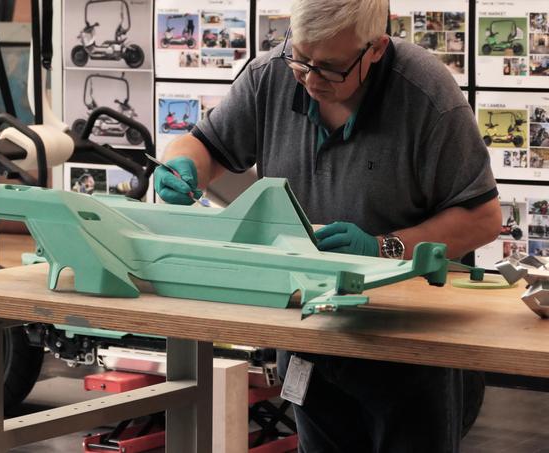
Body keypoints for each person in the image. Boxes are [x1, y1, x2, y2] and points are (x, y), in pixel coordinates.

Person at [154, 0, 501, 451]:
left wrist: (384, 248)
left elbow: (482, 218)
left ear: (376, 49)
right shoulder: (271, 75)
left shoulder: (426, 95)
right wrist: (183, 165)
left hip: (408, 343)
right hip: (311, 328)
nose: (311, 78)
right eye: (301, 58)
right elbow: (205, 145)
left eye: (331, 68)